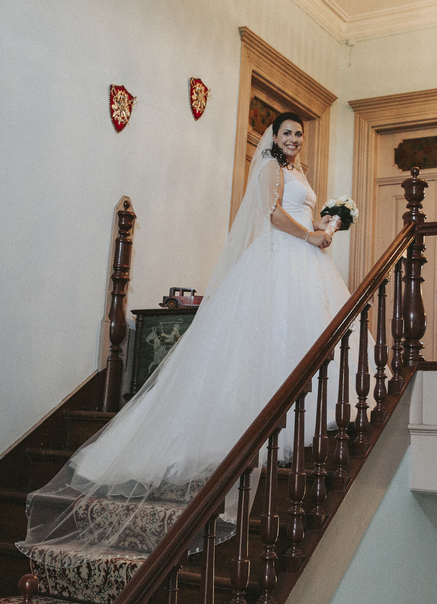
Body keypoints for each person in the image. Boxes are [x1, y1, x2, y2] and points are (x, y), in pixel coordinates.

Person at [18, 112, 359, 565]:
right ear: (274, 138)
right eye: (287, 133)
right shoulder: (271, 168)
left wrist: (327, 227)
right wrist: (311, 235)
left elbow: (302, 213)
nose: (294, 139)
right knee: (269, 335)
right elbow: (275, 214)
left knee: (312, 330)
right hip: (281, 256)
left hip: (307, 261)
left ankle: (314, 407)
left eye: (298, 133)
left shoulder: (299, 171)